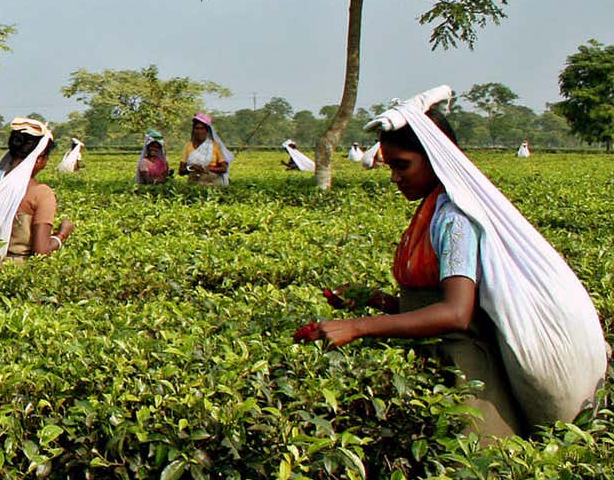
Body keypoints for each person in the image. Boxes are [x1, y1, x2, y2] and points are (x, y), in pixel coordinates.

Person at [297, 96, 603, 440]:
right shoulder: (431, 211)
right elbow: (429, 307)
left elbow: (456, 314)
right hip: (433, 362)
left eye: (403, 165)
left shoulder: (455, 219)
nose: (395, 178)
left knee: (475, 472)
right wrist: (372, 299)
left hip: (465, 373)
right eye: (391, 167)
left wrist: (357, 327)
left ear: (435, 159)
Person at [0, 119, 75, 259]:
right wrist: (62, 234)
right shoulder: (41, 193)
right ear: (40, 158)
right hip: (16, 271)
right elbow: (41, 251)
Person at [178, 113, 233, 186]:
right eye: (197, 128)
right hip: (194, 180)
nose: (199, 131)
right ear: (193, 130)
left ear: (206, 131)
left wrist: (208, 168)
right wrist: (191, 168)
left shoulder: (214, 145)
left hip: (213, 180)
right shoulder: (188, 146)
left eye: (202, 128)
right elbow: (181, 171)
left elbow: (224, 168)